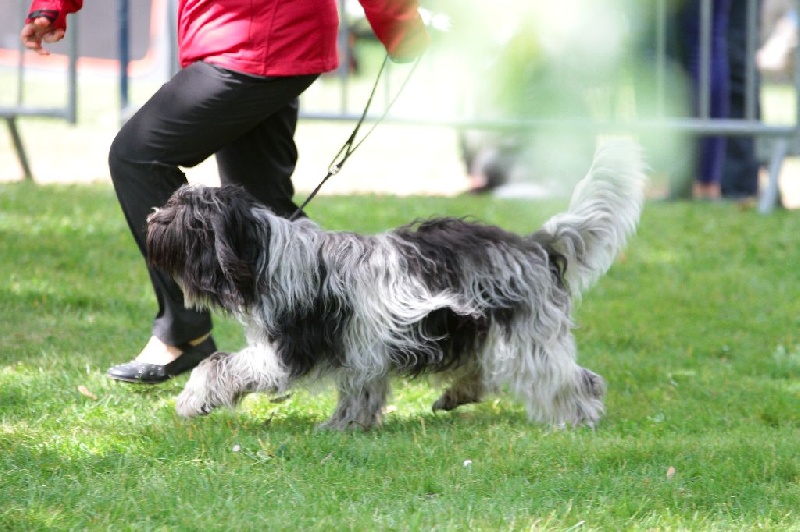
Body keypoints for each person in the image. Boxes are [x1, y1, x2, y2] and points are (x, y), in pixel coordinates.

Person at [21, 0, 429, 384]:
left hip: (260, 40)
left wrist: (399, 25)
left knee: (138, 157)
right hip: (245, 37)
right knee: (265, 206)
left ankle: (185, 333)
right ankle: (324, 335)